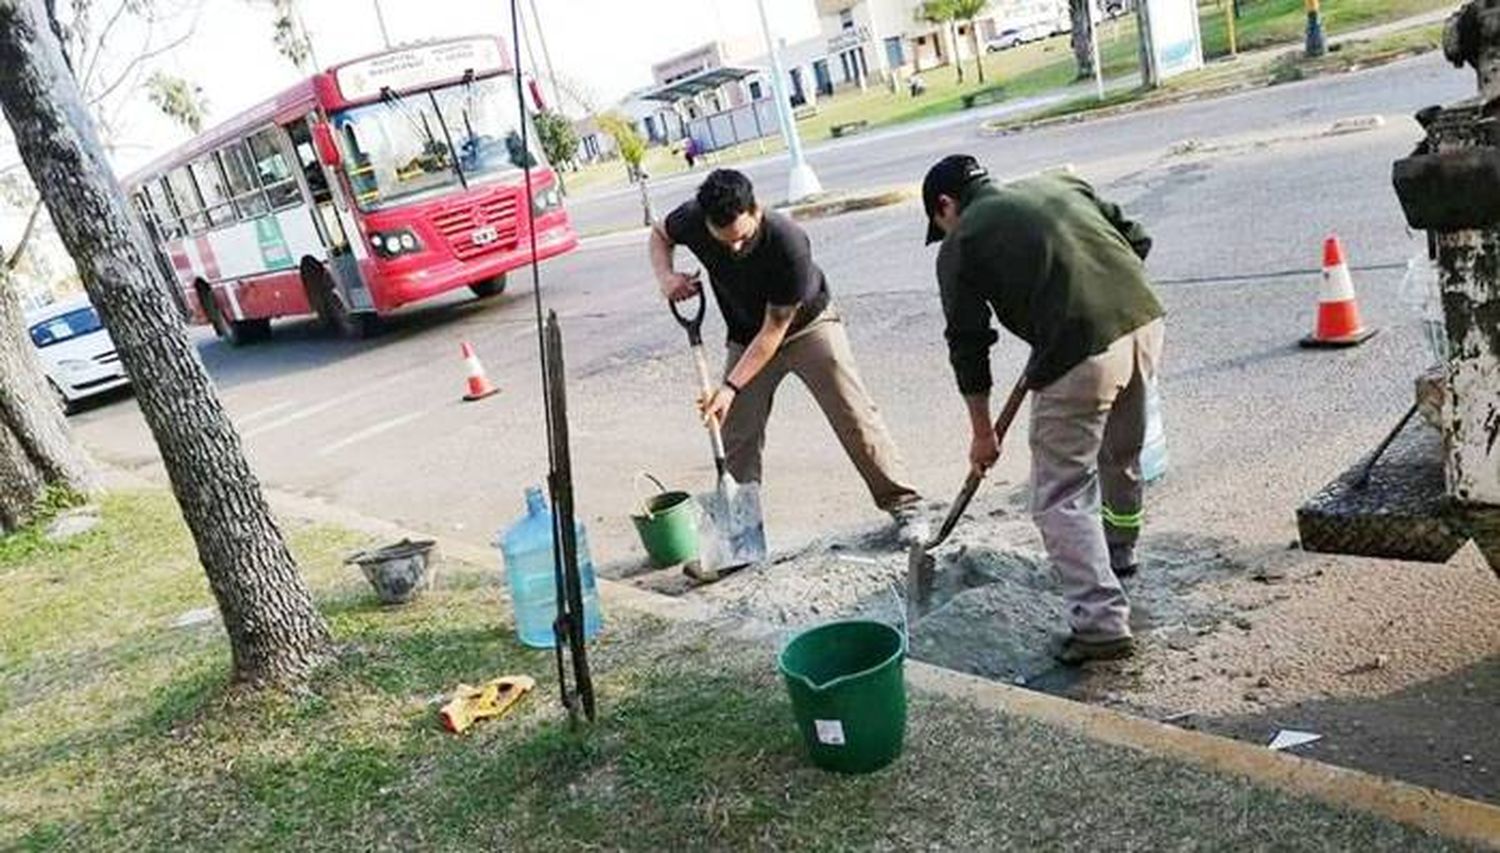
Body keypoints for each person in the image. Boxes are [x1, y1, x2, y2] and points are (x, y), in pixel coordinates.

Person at [921, 155, 1164, 664]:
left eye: (938, 224)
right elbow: (1136, 239)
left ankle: (1099, 625)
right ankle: (1120, 553)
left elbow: (968, 345)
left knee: (1059, 493)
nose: (943, 232)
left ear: (945, 206)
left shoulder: (962, 242)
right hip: (1143, 323)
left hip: (1084, 353)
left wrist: (982, 434)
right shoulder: (1061, 182)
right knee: (1120, 453)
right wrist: (1083, 298)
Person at [649, 169, 927, 543]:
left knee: (853, 415)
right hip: (746, 336)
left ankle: (905, 505)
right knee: (735, 434)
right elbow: (660, 233)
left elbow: (775, 329)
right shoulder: (693, 218)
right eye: (724, 240)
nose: (734, 248)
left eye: (742, 238)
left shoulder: (788, 240)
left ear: (757, 210)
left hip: (806, 326)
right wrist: (665, 277)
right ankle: (738, 538)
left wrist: (730, 387)